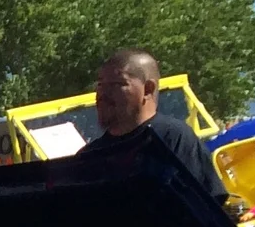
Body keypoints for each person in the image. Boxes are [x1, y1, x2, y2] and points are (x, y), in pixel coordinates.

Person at [73, 48, 229, 205]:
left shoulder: (173, 138)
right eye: (100, 84)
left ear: (148, 89)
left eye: (116, 84)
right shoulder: (89, 156)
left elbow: (206, 209)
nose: (102, 93)